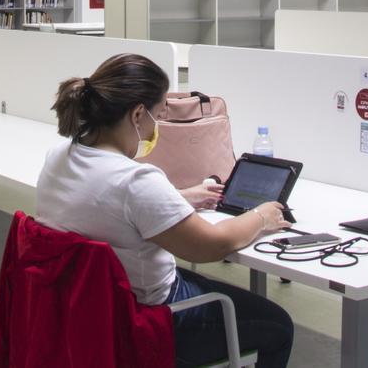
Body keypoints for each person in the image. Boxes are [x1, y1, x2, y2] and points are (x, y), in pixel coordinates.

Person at [37, 54, 294, 368]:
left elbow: (106, 206)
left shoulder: (59, 156)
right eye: (157, 115)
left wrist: (179, 197)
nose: (155, 128)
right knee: (278, 325)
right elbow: (211, 245)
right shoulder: (135, 181)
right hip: (149, 318)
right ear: (137, 115)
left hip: (85, 306)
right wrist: (260, 217)